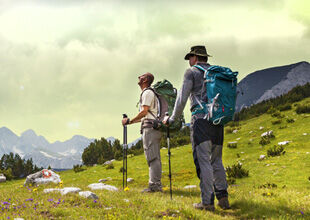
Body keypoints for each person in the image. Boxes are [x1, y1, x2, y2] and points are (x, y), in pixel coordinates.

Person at [163, 45, 230, 211]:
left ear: (194, 57)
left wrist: (172, 119)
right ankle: (223, 198)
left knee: (203, 161)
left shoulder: (192, 72)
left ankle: (207, 203)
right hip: (217, 120)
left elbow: (181, 99)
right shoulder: (217, 72)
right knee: (217, 160)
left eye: (189, 58)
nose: (189, 62)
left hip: (201, 122)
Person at [122, 72, 163, 192]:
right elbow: (144, 115)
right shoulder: (148, 93)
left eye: (141, 76)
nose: (138, 77)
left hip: (150, 128)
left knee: (152, 157)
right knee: (152, 156)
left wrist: (130, 120)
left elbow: (144, 112)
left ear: (145, 80)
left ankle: (155, 186)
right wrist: (130, 122)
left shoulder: (147, 93)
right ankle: (155, 184)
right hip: (151, 127)